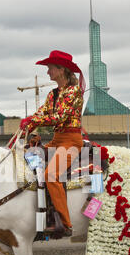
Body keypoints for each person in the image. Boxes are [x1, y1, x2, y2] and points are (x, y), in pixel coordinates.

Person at [20, 50, 85, 237]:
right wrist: (29, 121)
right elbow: (42, 113)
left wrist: (34, 122)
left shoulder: (74, 92)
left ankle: (65, 223)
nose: (48, 72)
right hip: (57, 140)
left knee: (51, 175)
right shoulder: (52, 94)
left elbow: (59, 117)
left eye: (50, 68)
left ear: (61, 70)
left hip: (71, 142)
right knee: (28, 157)